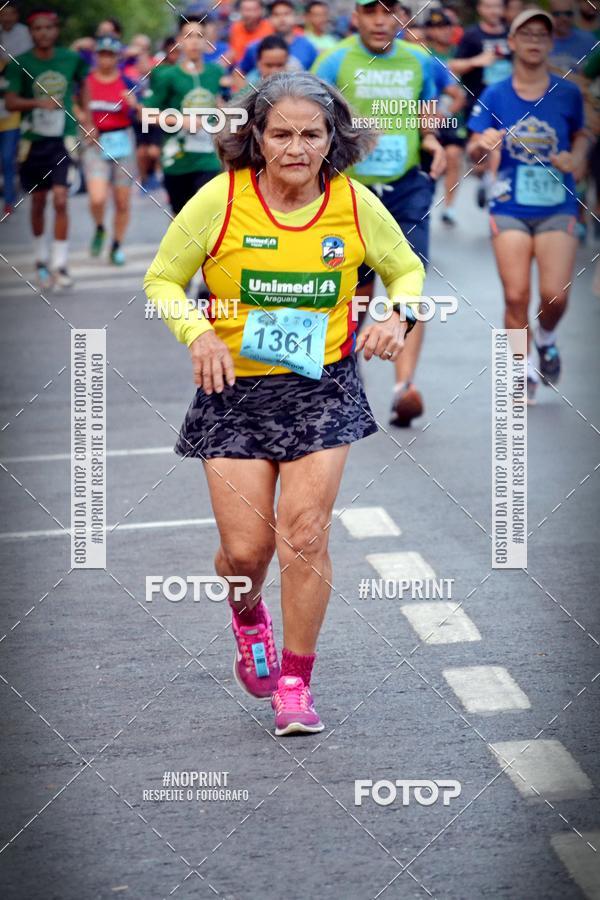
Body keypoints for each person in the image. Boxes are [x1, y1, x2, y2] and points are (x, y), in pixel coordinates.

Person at [144, 72, 425, 735]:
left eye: (311, 134)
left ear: (332, 139)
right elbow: (162, 279)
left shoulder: (353, 204)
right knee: (246, 554)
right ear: (256, 137)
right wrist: (199, 331)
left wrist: (398, 316)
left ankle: (296, 682)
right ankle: (249, 619)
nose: (296, 147)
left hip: (321, 388)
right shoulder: (221, 199)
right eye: (281, 134)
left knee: (304, 536)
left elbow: (405, 268)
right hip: (232, 393)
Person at [314, 0, 446, 427]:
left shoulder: (419, 62)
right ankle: (346, 370)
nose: (380, 20)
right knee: (355, 290)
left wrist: (432, 141)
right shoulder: (334, 62)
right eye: (371, 11)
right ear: (356, 17)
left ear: (400, 18)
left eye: (389, 12)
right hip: (351, 191)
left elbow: (427, 111)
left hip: (407, 186)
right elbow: (314, 117)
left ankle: (403, 388)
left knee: (409, 280)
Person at [467, 8, 589, 403]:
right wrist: (481, 147)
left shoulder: (568, 92)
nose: (535, 41)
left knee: (555, 295)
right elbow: (475, 148)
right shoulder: (495, 93)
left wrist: (577, 158)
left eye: (542, 35)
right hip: (509, 204)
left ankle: (548, 338)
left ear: (550, 44)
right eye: (527, 34)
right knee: (516, 295)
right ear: (513, 42)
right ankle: (520, 370)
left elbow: (582, 135)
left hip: (558, 203)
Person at [5, 9, 90, 289]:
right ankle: (41, 260)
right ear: (31, 33)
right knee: (39, 201)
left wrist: (86, 114)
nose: (43, 33)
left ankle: (60, 264)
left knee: (62, 199)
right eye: (37, 29)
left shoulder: (71, 58)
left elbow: (83, 83)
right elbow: (11, 102)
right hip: (33, 141)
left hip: (62, 139)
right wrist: (39, 104)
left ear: (56, 31)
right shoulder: (21, 63)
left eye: (48, 28)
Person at [142, 15, 223, 214]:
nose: (194, 41)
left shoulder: (216, 73)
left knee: (209, 213)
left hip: (208, 157)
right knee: (182, 219)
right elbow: (146, 115)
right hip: (177, 160)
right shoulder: (167, 75)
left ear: (207, 41)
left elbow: (221, 103)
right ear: (179, 41)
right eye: (188, 36)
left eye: (199, 36)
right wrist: (179, 120)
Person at [451, 0, 512, 206]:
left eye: (497, 6)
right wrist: (476, 61)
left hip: (509, 102)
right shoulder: (471, 35)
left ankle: (494, 184)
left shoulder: (512, 34)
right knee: (480, 150)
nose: (493, 11)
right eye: (488, 6)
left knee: (503, 146)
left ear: (503, 9)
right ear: (480, 9)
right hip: (478, 102)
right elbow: (453, 65)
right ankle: (485, 177)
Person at [83, 35, 136, 265]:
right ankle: (100, 227)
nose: (106, 59)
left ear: (118, 57)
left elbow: (141, 110)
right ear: (96, 56)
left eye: (110, 55)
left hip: (122, 141)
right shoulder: (87, 82)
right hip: (95, 143)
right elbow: (74, 104)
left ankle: (116, 245)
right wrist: (85, 122)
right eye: (102, 54)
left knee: (122, 201)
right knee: (97, 198)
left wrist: (135, 103)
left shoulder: (127, 81)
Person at [425, 9, 468, 226]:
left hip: (453, 117)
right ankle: (424, 203)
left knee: (453, 157)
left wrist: (445, 114)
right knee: (429, 162)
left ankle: (449, 208)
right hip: (425, 116)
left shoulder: (460, 52)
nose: (440, 31)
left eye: (444, 26)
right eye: (434, 27)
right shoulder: (424, 54)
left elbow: (461, 94)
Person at [234, 0, 318, 91]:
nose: (282, 19)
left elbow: (316, 77)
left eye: (287, 14)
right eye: (276, 15)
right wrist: (246, 98)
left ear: (295, 16)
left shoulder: (308, 47)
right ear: (269, 19)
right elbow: (238, 73)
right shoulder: (256, 47)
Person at [0, 3, 32, 216]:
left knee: (7, 157)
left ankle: (9, 200)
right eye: (3, 13)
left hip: (11, 107)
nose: (6, 17)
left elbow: (22, 65)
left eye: (9, 13)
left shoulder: (24, 34)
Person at [549, 0, 596, 75]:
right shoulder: (540, 41)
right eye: (557, 14)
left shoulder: (589, 41)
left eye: (568, 14)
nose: (564, 18)